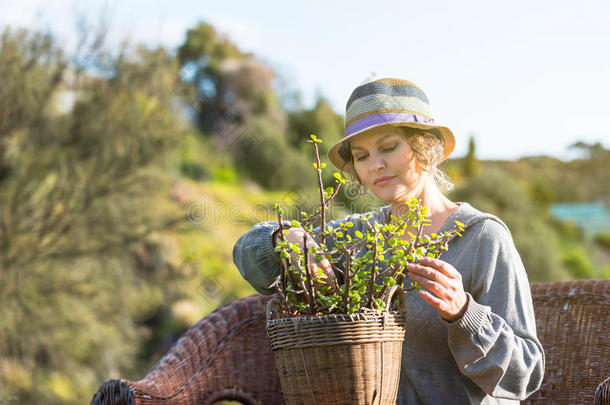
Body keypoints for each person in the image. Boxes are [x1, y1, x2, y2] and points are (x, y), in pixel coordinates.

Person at [233, 77, 544, 404]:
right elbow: (247, 251)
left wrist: (464, 313)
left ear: (425, 147)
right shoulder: (360, 235)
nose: (375, 165)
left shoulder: (482, 237)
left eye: (389, 147)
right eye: (361, 155)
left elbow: (526, 374)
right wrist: (291, 239)